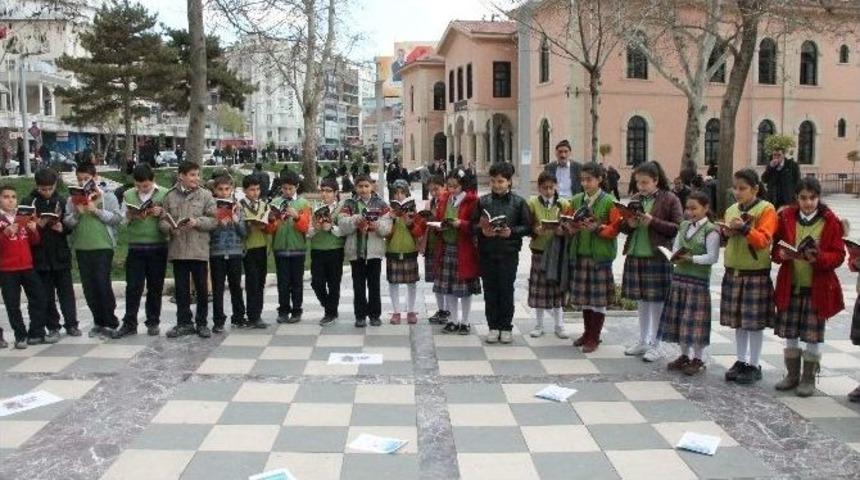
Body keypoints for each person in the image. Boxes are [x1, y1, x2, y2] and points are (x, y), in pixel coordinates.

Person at [771, 177, 845, 397]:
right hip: (791, 285)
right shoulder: (786, 217)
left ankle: (808, 378)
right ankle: (792, 375)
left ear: (818, 198)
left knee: (813, 335)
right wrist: (781, 254)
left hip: (818, 288)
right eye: (803, 198)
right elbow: (775, 248)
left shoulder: (830, 220)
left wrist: (818, 257)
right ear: (797, 198)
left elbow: (839, 255)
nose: (808, 202)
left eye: (812, 198)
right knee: (790, 333)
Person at [620, 161, 683, 362]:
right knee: (641, 301)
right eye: (638, 183)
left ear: (656, 180)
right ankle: (643, 340)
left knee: (657, 302)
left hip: (657, 255)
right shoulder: (636, 199)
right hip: (636, 253)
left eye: (645, 182)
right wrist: (628, 223)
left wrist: (653, 221)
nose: (641, 187)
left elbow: (678, 227)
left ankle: (657, 343)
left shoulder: (669, 198)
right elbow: (624, 226)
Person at [720, 168, 778, 385]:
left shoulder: (766, 209)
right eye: (735, 188)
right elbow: (728, 236)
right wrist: (726, 232)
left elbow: (764, 240)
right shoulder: (731, 210)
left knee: (754, 322)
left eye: (742, 188)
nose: (737, 192)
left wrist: (745, 229)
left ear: (755, 189)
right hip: (734, 270)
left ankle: (754, 363)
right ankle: (741, 360)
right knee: (738, 322)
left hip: (755, 273)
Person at [656, 191, 720, 375]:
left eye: (694, 208)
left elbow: (712, 257)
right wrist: (674, 256)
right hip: (679, 279)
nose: (690, 212)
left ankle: (698, 358)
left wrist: (691, 259)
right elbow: (676, 247)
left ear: (706, 208)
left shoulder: (711, 230)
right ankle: (683, 355)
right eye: (687, 208)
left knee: (695, 322)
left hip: (697, 282)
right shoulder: (683, 225)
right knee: (680, 319)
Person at [565, 162, 623, 353]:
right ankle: (587, 332)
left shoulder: (609, 202)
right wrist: (569, 227)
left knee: (598, 299)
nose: (585, 183)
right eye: (582, 180)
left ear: (599, 180)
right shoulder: (576, 200)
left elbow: (615, 229)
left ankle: (594, 337)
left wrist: (598, 228)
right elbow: (566, 222)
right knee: (585, 297)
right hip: (581, 253)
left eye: (589, 179)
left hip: (600, 256)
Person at [159, 161, 218, 338]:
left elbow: (214, 220)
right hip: (178, 249)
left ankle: (202, 323)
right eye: (192, 175)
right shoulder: (170, 196)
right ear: (181, 176)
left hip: (198, 249)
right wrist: (170, 228)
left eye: (197, 175)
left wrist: (197, 222)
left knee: (201, 289)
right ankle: (183, 322)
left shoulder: (206, 195)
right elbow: (162, 220)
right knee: (182, 289)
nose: (196, 178)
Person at [474, 162, 531, 343]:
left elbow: (528, 227)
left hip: (508, 253)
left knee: (506, 290)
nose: (496, 185)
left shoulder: (519, 202)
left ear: (509, 182)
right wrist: (482, 231)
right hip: (487, 252)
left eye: (500, 181)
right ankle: (493, 326)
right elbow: (472, 225)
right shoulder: (483, 201)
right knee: (490, 290)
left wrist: (512, 232)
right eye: (493, 181)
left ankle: (506, 326)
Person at [64, 162, 123, 338]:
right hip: (82, 247)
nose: (82, 183)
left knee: (102, 284)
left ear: (95, 178)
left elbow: (117, 218)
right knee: (89, 287)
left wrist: (95, 211)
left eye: (86, 179)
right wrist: (77, 213)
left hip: (103, 246)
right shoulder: (71, 200)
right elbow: (67, 222)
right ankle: (98, 321)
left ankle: (110, 322)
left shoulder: (108, 196)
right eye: (79, 180)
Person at [112, 164, 168, 338]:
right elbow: (122, 220)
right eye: (138, 185)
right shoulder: (128, 194)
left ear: (153, 181)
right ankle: (129, 323)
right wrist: (130, 215)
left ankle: (153, 321)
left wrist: (161, 212)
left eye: (145, 186)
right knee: (133, 286)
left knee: (155, 286)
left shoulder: (164, 193)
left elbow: (173, 216)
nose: (142, 189)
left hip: (157, 246)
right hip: (136, 246)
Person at [25, 168, 80, 339]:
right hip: (40, 256)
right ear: (37, 186)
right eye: (43, 189)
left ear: (55, 185)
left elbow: (69, 227)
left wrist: (62, 228)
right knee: (47, 294)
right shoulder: (29, 202)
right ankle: (53, 325)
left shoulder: (61, 201)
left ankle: (71, 324)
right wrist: (38, 226)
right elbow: (24, 230)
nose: (47, 192)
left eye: (50, 188)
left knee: (66, 293)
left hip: (60, 254)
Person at [0, 184, 52, 348]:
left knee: (40, 297)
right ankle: (20, 335)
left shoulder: (22, 216)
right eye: (6, 197)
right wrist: (5, 234)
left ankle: (36, 332)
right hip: (7, 269)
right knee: (12, 304)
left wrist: (33, 230)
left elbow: (34, 242)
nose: (10, 200)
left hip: (27, 266)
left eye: (13, 197)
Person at [338, 175, 392, 328]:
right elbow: (342, 224)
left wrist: (377, 226)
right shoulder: (349, 203)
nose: (363, 189)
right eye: (360, 186)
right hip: (356, 251)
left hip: (374, 251)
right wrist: (355, 220)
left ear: (372, 187)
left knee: (374, 285)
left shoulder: (381, 203)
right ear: (356, 188)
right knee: (359, 285)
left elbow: (387, 227)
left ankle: (375, 315)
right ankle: (360, 315)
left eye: (366, 186)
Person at [432, 169, 481, 335]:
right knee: (449, 288)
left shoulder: (472, 201)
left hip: (464, 249)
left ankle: (465, 321)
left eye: (455, 186)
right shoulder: (445, 200)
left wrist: (462, 224)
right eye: (449, 186)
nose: (451, 189)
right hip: (447, 247)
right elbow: (439, 217)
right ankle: (453, 320)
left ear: (463, 185)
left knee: (465, 289)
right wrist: (439, 225)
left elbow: (476, 226)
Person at [526, 171, 569, 339]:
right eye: (545, 188)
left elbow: (568, 224)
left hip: (557, 251)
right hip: (539, 250)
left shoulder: (563, 204)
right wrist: (535, 230)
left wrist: (562, 230)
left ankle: (560, 325)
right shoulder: (532, 203)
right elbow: (528, 225)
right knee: (539, 290)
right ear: (539, 188)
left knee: (557, 289)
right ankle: (539, 324)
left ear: (556, 187)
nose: (549, 191)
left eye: (551, 187)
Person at [269, 171, 311, 324]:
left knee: (296, 282)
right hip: (280, 248)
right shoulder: (275, 202)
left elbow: (306, 227)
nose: (287, 191)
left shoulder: (303, 204)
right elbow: (270, 228)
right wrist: (273, 221)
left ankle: (297, 310)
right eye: (284, 188)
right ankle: (283, 310)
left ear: (297, 187)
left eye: (290, 188)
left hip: (297, 249)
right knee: (283, 282)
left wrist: (297, 217)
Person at [209, 175, 248, 333]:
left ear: (232, 189)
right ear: (214, 190)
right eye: (220, 189)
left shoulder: (238, 207)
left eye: (227, 189)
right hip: (216, 252)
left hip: (235, 252)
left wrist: (236, 220)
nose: (224, 192)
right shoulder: (211, 207)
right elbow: (207, 232)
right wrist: (218, 224)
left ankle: (239, 316)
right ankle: (218, 320)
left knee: (235, 286)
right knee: (218, 288)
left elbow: (244, 232)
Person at [385, 179, 425, 324]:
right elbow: (385, 233)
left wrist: (410, 223)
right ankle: (396, 311)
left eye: (402, 192)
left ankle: (411, 311)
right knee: (393, 282)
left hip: (409, 250)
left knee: (411, 282)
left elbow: (420, 232)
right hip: (393, 250)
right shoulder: (389, 211)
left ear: (407, 193)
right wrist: (392, 219)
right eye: (396, 193)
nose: (399, 195)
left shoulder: (414, 212)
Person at [308, 178, 346, 326]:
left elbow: (343, 231)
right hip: (317, 250)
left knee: (334, 283)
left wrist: (330, 228)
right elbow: (308, 233)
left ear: (336, 193)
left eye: (329, 191)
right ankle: (329, 306)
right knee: (316, 282)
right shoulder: (314, 207)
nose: (325, 194)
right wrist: (316, 229)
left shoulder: (341, 208)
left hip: (335, 250)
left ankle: (330, 313)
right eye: (322, 190)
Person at [240, 175, 272, 330]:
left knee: (260, 281)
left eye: (258, 189)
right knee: (251, 281)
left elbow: (269, 226)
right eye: (252, 189)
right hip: (247, 248)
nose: (255, 192)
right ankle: (252, 315)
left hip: (261, 247)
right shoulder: (240, 206)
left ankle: (257, 314)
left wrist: (266, 225)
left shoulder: (264, 205)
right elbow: (239, 227)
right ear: (244, 190)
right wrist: (248, 225)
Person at [424, 175, 449, 325]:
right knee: (437, 281)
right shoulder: (430, 203)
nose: (434, 193)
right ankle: (441, 309)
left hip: (444, 244)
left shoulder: (448, 202)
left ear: (444, 187)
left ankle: (447, 309)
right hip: (432, 244)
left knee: (446, 280)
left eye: (436, 189)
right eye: (431, 190)